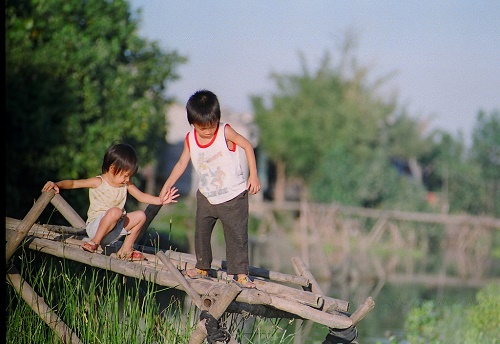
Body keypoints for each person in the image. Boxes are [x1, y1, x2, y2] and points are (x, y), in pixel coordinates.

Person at [159, 89, 261, 288]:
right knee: (201, 232)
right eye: (202, 127)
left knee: (236, 234)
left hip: (233, 195)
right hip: (207, 195)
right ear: (193, 123)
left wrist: (254, 175)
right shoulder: (190, 140)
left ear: (218, 119)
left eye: (211, 125)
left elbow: (247, 146)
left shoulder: (225, 132)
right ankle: (202, 267)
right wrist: (167, 185)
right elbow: (181, 163)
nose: (208, 131)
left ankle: (240, 273)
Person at [42, 142, 179, 261]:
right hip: (96, 228)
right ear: (113, 169)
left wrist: (160, 200)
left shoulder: (125, 185)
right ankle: (94, 242)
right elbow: (73, 183)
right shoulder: (99, 182)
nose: (127, 179)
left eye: (129, 176)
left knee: (140, 216)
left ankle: (126, 250)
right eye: (125, 175)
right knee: (116, 211)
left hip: (115, 229)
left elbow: (141, 196)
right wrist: (57, 184)